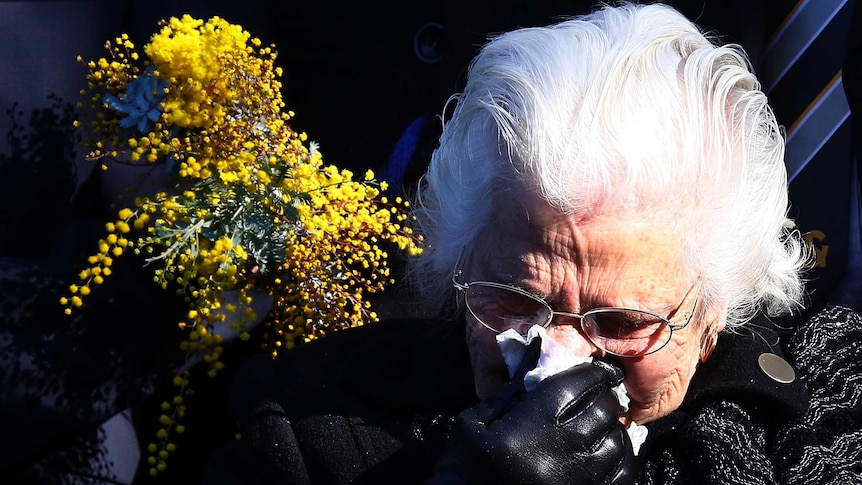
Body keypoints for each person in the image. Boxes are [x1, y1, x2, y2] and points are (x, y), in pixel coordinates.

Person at [197, 2, 862, 483]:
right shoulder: (314, 421)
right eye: (513, 299)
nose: (556, 357)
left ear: (714, 312)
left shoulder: (825, 427)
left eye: (622, 321)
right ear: (464, 259)